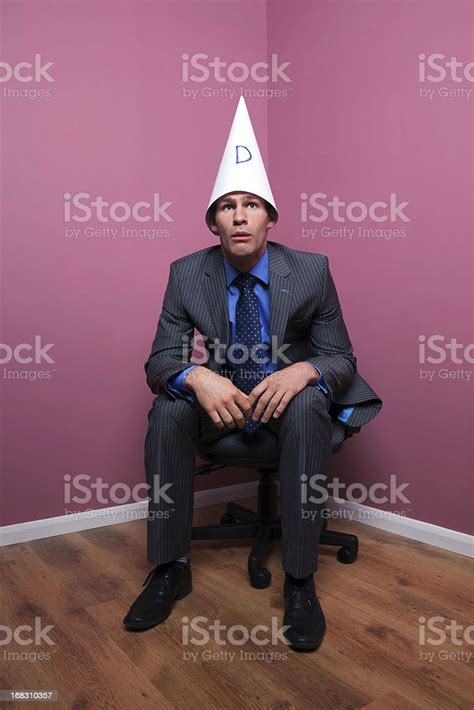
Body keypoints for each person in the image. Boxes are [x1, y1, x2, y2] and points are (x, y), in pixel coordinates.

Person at [123, 97, 382, 651]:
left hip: (289, 413)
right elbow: (159, 361)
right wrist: (196, 378)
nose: (240, 216)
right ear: (212, 220)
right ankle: (170, 566)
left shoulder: (311, 270)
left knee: (312, 396)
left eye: (252, 205)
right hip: (220, 412)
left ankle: (300, 579)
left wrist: (305, 370)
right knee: (168, 406)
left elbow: (342, 358)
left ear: (271, 216)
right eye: (227, 206)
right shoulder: (186, 274)